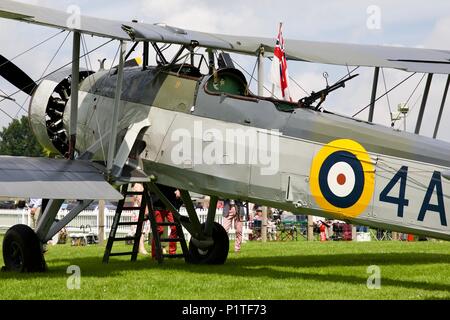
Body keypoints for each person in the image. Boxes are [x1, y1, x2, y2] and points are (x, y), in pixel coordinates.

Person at [151, 185, 183, 259]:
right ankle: (155, 254)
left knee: (175, 228)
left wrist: (178, 189)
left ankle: (172, 253)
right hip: (157, 204)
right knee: (159, 230)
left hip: (170, 203)